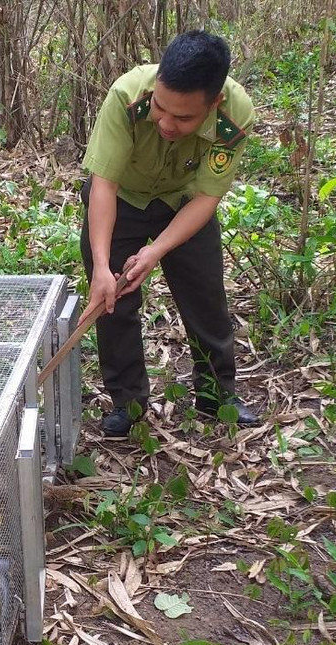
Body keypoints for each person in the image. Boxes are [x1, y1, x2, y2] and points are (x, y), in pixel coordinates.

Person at [80, 29, 259, 439]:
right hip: (121, 198)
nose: (166, 122)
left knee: (205, 296)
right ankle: (128, 403)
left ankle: (217, 397)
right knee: (112, 301)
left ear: (213, 102)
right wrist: (104, 266)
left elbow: (207, 197)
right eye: (161, 109)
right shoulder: (127, 96)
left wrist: (157, 250)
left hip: (184, 202)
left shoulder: (235, 115)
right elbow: (103, 185)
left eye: (183, 117)